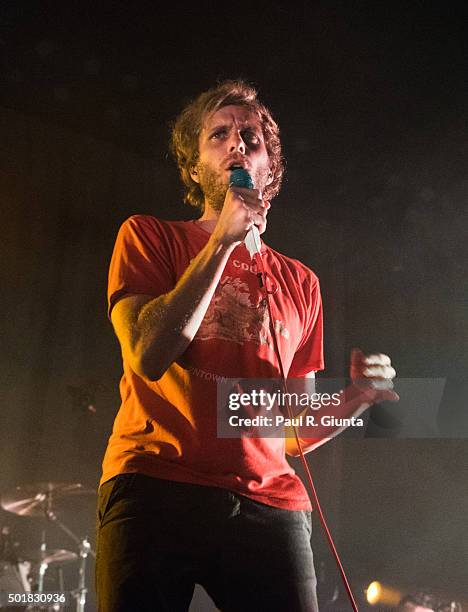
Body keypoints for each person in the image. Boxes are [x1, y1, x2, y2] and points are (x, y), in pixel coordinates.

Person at [95, 79, 397, 612]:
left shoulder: (302, 282)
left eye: (251, 136)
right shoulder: (149, 236)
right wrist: (223, 240)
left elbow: (292, 432)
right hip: (157, 483)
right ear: (193, 168)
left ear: (270, 169)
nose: (237, 143)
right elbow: (148, 353)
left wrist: (357, 398)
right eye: (218, 134)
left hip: (270, 505)